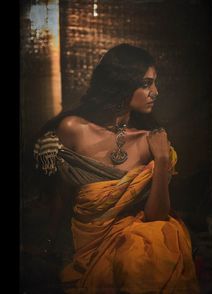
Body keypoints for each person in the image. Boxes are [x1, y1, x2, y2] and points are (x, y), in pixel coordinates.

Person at [34, 44, 199, 293]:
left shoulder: (150, 140)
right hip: (89, 244)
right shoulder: (72, 129)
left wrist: (163, 160)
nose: (155, 92)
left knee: (150, 242)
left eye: (155, 83)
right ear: (121, 83)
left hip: (135, 244)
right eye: (146, 83)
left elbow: (156, 217)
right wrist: (48, 241)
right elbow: (58, 194)